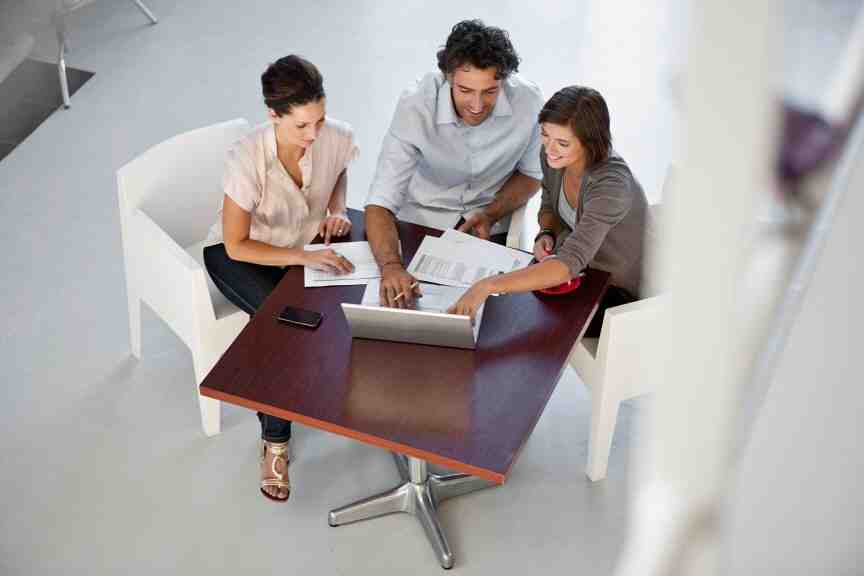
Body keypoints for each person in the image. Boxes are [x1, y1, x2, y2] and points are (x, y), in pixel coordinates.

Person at [203, 55, 358, 502]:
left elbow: (341, 166)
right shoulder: (247, 157)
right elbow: (235, 245)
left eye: (320, 120)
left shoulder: (334, 136)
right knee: (284, 326)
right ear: (273, 115)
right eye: (301, 127)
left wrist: (336, 209)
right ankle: (276, 442)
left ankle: (328, 390)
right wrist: (304, 258)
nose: (314, 135)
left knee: (344, 303)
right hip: (242, 255)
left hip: (301, 245)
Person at [364, 19, 544, 308]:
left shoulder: (528, 99)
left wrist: (490, 213)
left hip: (489, 232)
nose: (476, 105)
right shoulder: (415, 104)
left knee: (490, 324)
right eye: (465, 90)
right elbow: (380, 201)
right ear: (447, 76)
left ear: (504, 80)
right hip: (419, 227)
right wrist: (390, 266)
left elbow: (532, 174)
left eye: (489, 92)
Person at [449, 86, 653, 336]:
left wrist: (486, 286)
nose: (549, 149)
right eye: (545, 135)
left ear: (590, 142)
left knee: (522, 320)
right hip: (580, 271)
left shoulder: (611, 186)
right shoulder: (556, 158)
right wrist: (546, 232)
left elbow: (567, 265)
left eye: (563, 142)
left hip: (616, 292)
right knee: (506, 311)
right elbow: (549, 206)